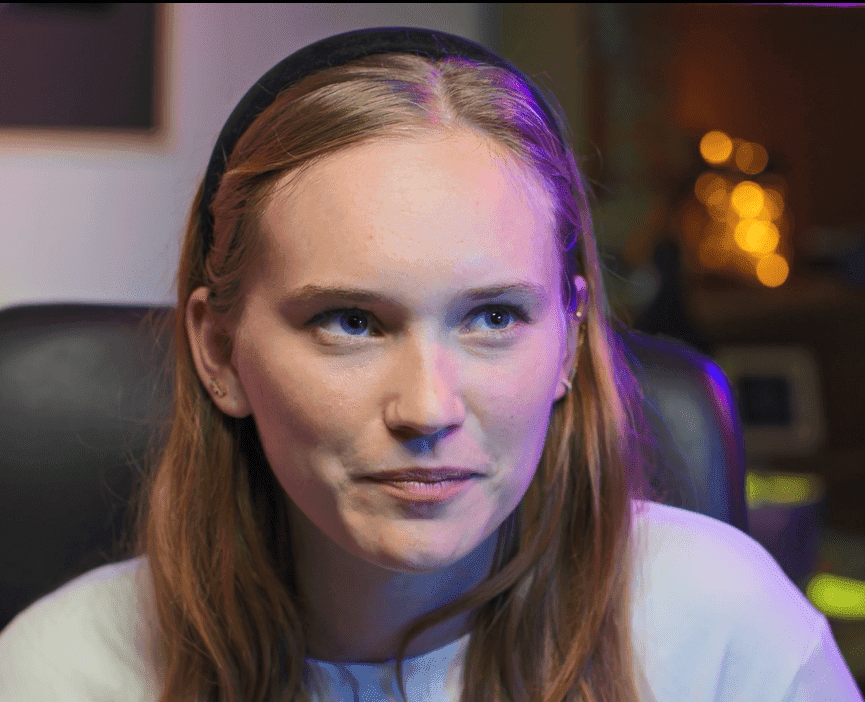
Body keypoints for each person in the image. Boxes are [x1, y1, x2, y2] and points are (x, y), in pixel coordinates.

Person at [0, 26, 861, 702]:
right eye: (350, 322)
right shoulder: (63, 671)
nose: (426, 407)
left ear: (568, 339)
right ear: (219, 352)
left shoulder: (720, 628)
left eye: (492, 316)